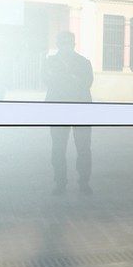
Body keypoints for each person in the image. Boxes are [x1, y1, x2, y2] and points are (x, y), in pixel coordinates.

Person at [44, 31, 94, 195]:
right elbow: (47, 81)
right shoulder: (49, 62)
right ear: (58, 43)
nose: (67, 45)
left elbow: (86, 82)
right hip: (58, 111)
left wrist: (62, 78)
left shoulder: (83, 62)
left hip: (81, 111)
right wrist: (72, 78)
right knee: (58, 148)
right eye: (63, 42)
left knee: (84, 148)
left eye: (70, 42)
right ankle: (60, 183)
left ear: (74, 43)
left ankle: (84, 182)